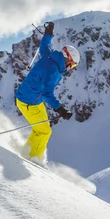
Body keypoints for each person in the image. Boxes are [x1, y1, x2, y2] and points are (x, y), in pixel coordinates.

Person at [15, 21, 80, 165]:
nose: (71, 68)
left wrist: (48, 34)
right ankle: (32, 161)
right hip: (28, 102)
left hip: (31, 99)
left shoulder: (49, 56)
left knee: (41, 129)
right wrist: (60, 109)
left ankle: (27, 152)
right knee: (44, 132)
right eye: (73, 64)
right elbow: (46, 93)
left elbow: (43, 46)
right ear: (67, 59)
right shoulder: (53, 71)